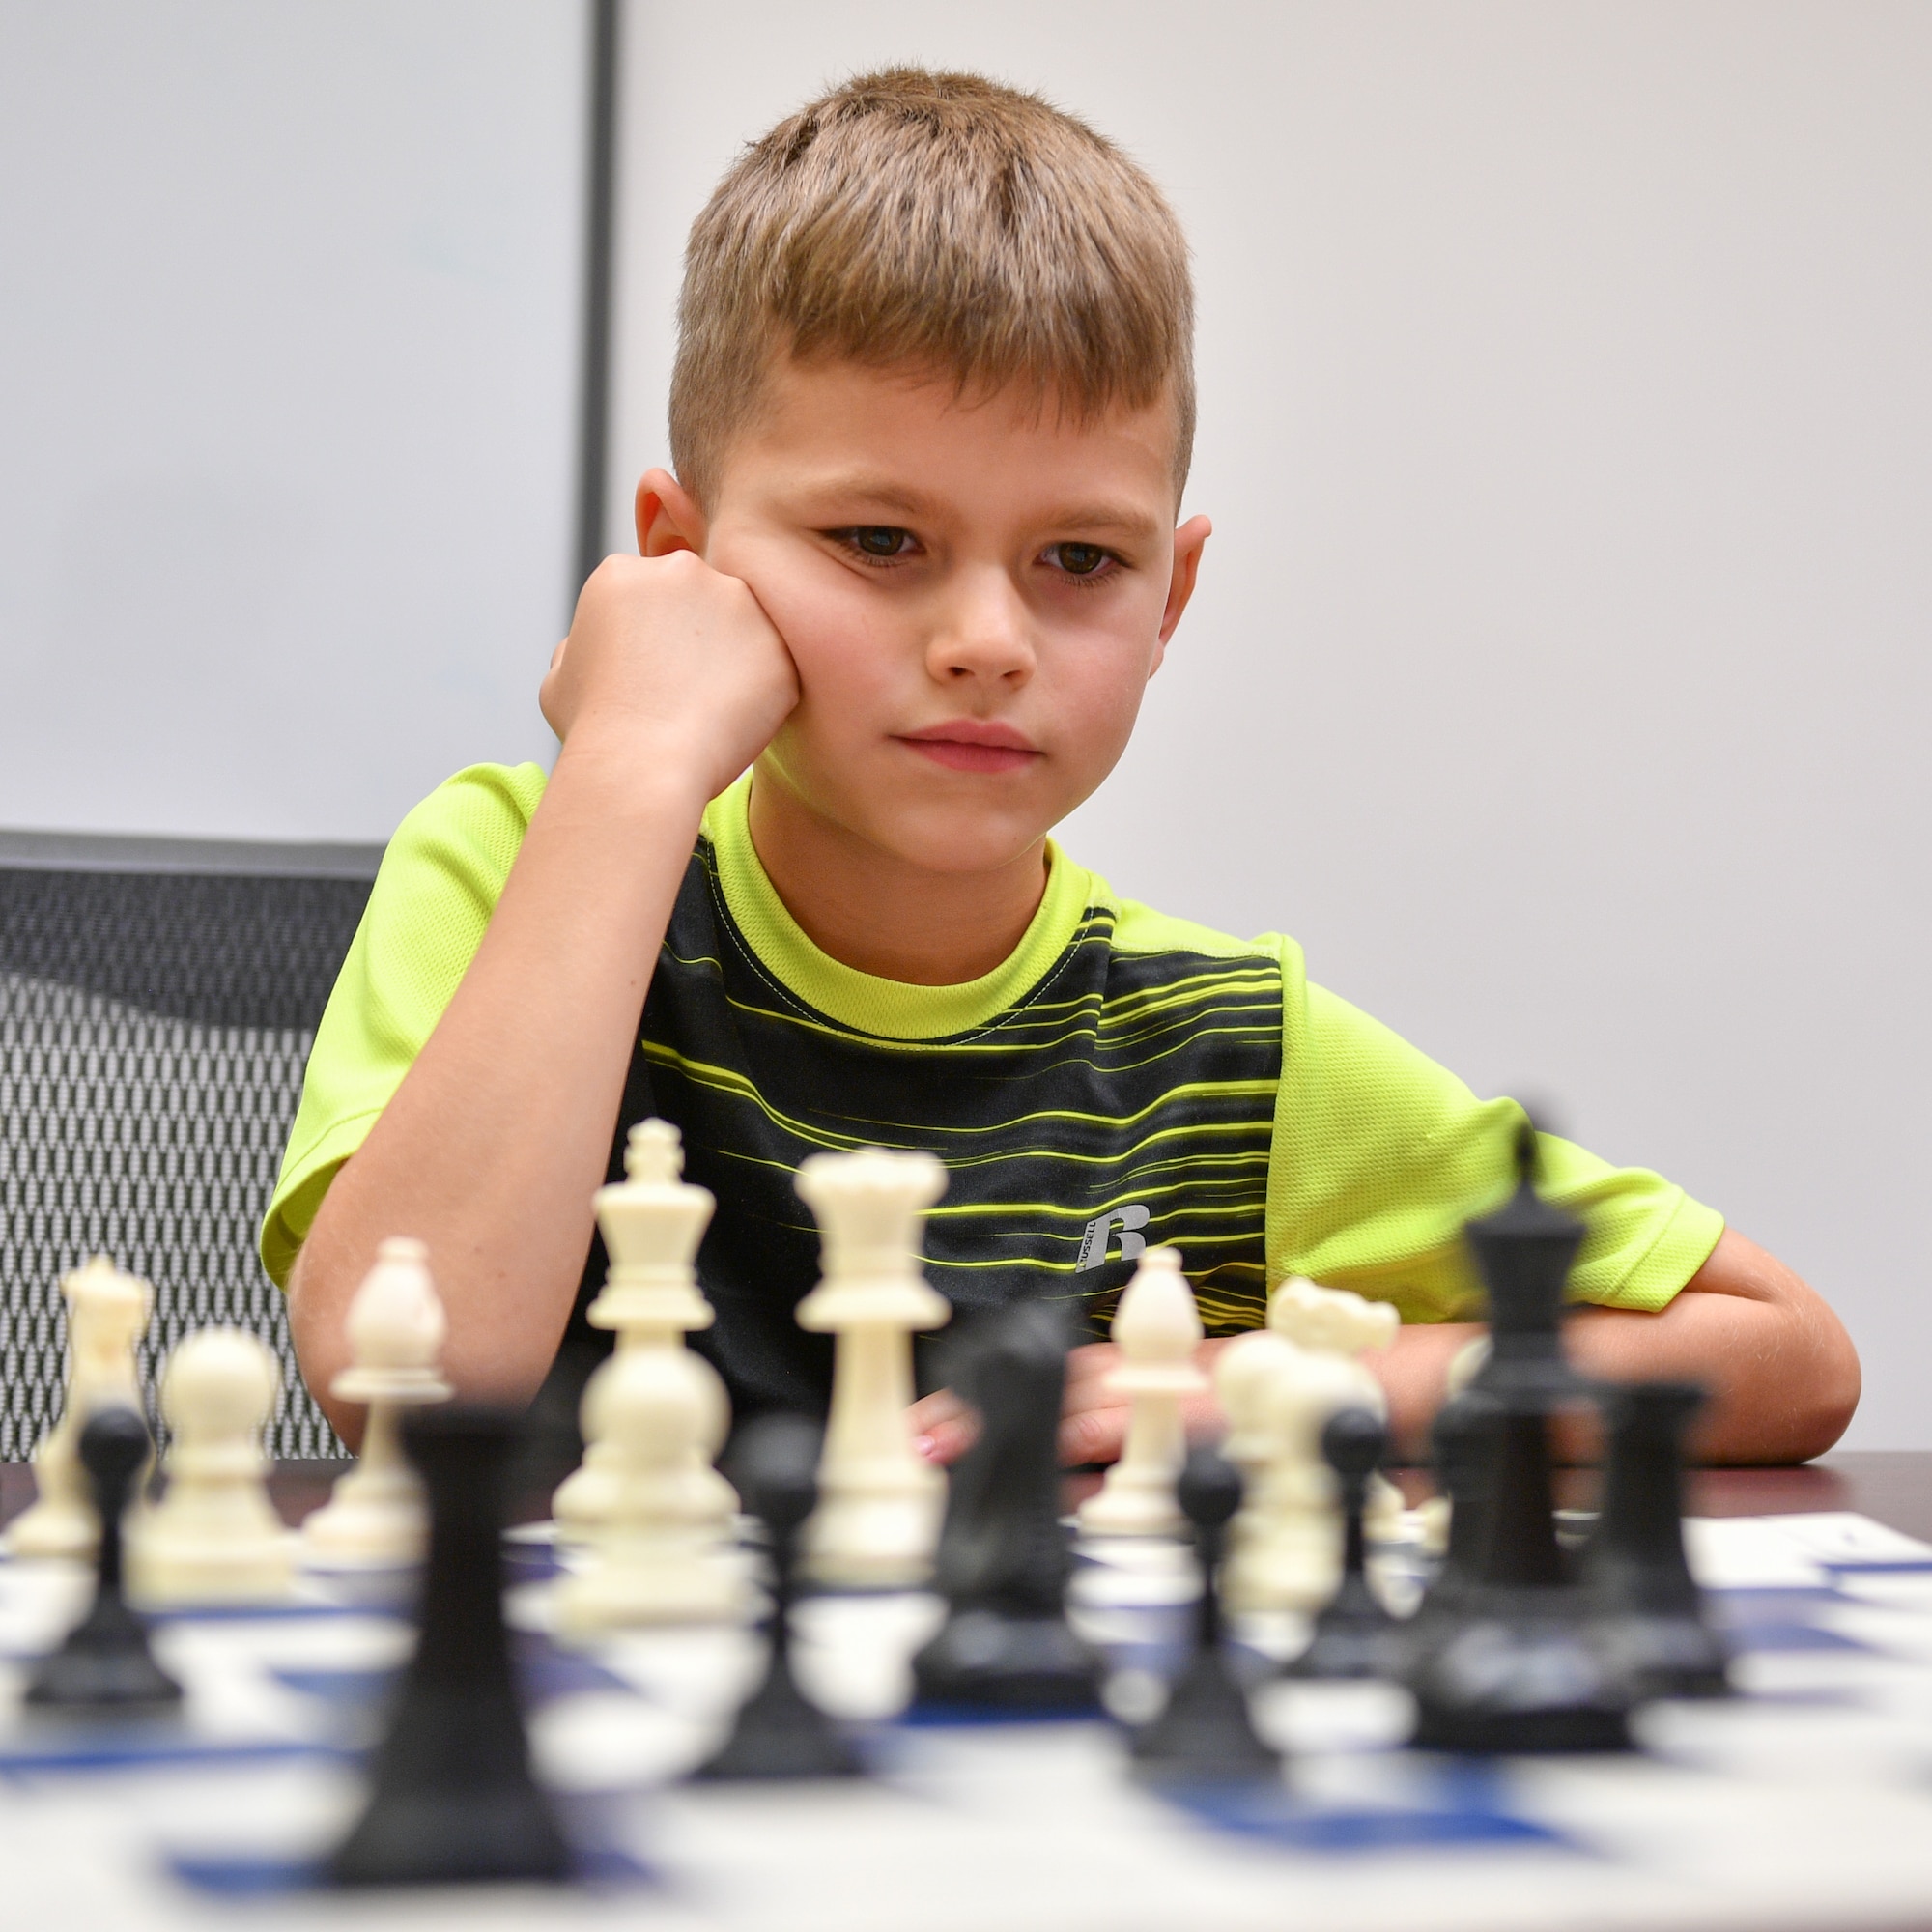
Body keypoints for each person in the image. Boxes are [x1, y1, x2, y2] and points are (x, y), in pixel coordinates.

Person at [264, 67, 1858, 1468]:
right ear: (678, 560)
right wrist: (630, 757)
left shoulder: (1222, 1053)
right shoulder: (515, 862)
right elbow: (407, 1379)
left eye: (1079, 558)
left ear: (1171, 597)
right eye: (878, 540)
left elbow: (1785, 1352)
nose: (986, 640)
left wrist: (1277, 1380)